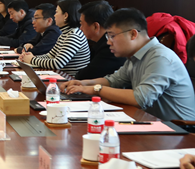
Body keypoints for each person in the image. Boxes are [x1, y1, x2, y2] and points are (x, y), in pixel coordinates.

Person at [63, 8, 195, 121]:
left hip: (180, 130)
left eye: (112, 36)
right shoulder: (135, 56)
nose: (108, 42)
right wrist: (84, 84)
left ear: (133, 34)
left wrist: (95, 89)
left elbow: (140, 98)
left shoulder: (160, 58)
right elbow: (113, 81)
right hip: (152, 122)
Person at [20, 0, 90, 76]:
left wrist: (32, 60)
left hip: (71, 79)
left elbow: (58, 63)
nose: (54, 15)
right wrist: (31, 57)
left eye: (56, 12)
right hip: (61, 76)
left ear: (65, 16)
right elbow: (50, 55)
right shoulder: (65, 33)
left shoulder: (74, 35)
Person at [74, 0, 126, 80]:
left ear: (95, 26)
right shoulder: (104, 42)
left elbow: (84, 76)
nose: (80, 28)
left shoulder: (110, 47)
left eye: (81, 24)